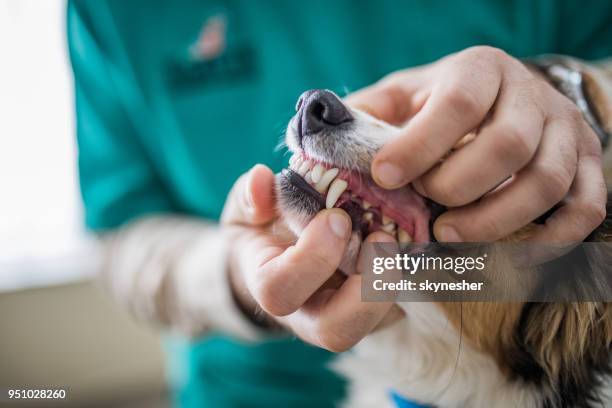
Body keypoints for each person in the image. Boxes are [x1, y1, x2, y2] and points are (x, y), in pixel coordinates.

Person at [67, 1, 612, 407]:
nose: (315, 106)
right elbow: (120, 234)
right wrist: (236, 278)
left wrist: (571, 90)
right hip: (249, 393)